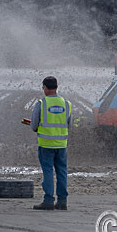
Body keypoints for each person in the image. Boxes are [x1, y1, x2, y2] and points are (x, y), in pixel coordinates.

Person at [30, 76, 71, 210]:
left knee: (48, 171)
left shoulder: (41, 104)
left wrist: (38, 128)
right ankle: (62, 201)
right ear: (57, 87)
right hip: (61, 145)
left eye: (43, 87)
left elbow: (34, 125)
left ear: (45, 87)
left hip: (46, 145)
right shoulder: (66, 104)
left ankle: (48, 201)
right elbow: (68, 124)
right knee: (62, 172)